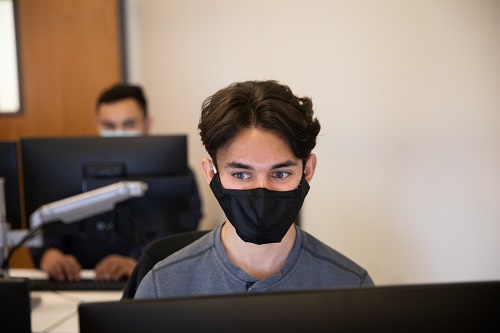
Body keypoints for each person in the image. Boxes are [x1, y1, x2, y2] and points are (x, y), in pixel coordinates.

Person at [135, 80, 374, 299]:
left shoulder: (352, 287)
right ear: (211, 174)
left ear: (308, 171)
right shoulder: (162, 287)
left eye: (280, 174)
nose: (261, 190)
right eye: (241, 174)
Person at [31, 83, 202, 282]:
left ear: (147, 124)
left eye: (128, 124)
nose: (119, 133)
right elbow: (48, 226)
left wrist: (138, 261)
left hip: (147, 281)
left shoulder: (178, 175)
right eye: (109, 126)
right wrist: (49, 254)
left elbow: (180, 234)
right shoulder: (70, 171)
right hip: (77, 281)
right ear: (97, 125)